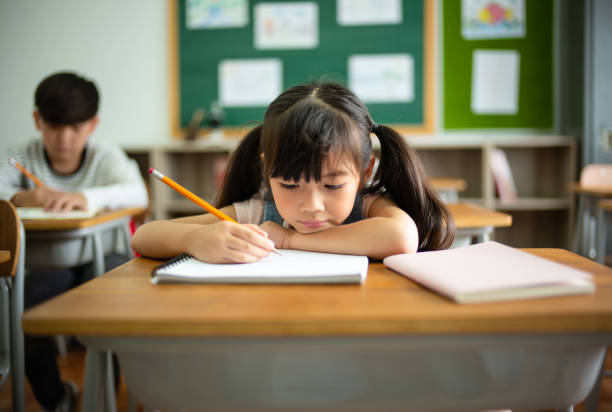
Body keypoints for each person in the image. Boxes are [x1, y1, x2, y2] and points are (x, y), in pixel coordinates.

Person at [132, 81, 454, 263]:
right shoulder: (258, 212)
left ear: (365, 171)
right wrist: (196, 238)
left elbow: (401, 237)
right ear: (266, 170)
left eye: (332, 185)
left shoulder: (368, 206)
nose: (311, 205)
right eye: (288, 184)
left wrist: (287, 238)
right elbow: (144, 236)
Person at [0, 72, 149, 412]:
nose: (64, 138)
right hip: (49, 265)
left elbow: (138, 192)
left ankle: (103, 398)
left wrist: (87, 197)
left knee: (109, 304)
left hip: (106, 258)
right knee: (22, 311)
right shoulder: (22, 156)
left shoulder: (105, 156)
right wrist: (24, 196)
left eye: (76, 127)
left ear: (93, 124)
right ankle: (56, 398)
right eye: (53, 126)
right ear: (37, 120)